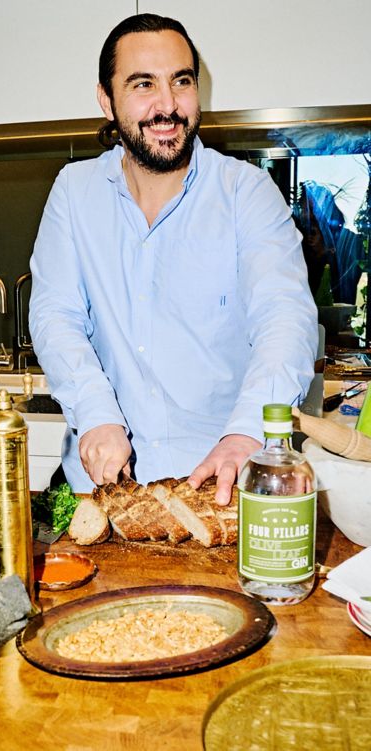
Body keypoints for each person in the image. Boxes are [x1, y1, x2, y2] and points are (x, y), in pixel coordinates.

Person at [29, 13, 318, 504]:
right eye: (143, 84)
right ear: (106, 98)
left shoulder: (246, 192)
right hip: (101, 494)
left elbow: (284, 318)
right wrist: (96, 411)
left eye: (181, 82)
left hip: (219, 488)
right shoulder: (74, 193)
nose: (167, 106)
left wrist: (248, 431)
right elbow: (56, 315)